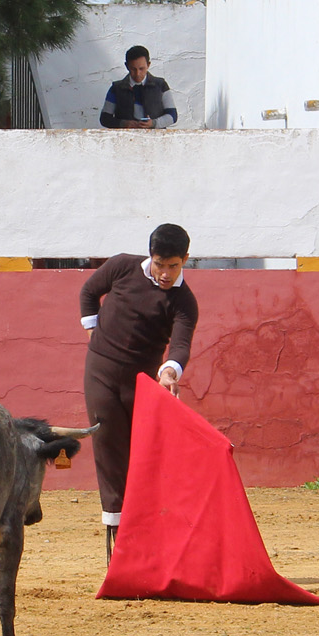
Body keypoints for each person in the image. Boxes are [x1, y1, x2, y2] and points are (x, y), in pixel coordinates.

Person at [79, 224, 199, 561]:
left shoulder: (184, 302)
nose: (164, 273)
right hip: (99, 372)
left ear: (185, 260)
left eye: (173, 265)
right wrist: (92, 330)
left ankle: (148, 535)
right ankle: (118, 542)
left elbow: (180, 344)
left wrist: (169, 371)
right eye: (160, 264)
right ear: (151, 256)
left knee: (145, 455)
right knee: (107, 447)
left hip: (143, 381)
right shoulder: (121, 267)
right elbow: (89, 292)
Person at [98, 46, 178, 129]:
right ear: (126, 66)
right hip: (126, 138)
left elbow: (172, 115)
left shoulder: (161, 85)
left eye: (141, 69)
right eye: (133, 69)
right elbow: (105, 118)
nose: (137, 73)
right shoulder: (116, 89)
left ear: (148, 65)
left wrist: (154, 123)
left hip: (156, 138)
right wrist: (123, 123)